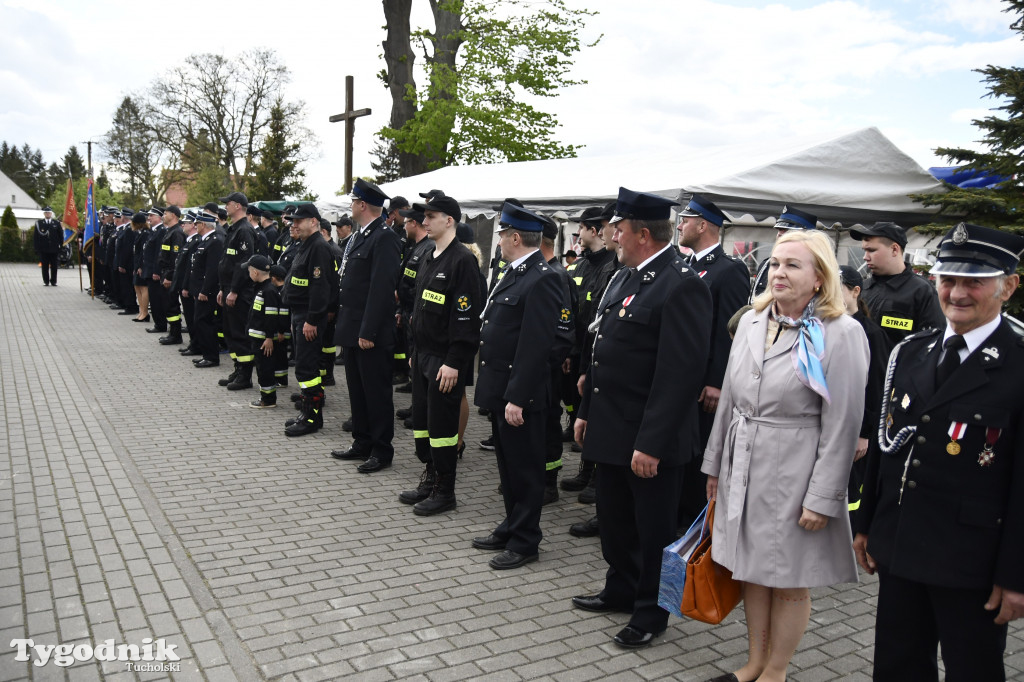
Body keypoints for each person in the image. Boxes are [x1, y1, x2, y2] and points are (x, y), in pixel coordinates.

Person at [854, 223, 1024, 682]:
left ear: (1008, 286)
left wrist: (1016, 574)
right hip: (903, 546)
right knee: (897, 665)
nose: (957, 293)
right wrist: (867, 524)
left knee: (973, 670)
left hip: (974, 562)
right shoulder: (912, 352)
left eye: (975, 282)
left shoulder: (1019, 363)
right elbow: (888, 447)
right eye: (949, 279)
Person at [701, 229, 868, 682]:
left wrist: (823, 496)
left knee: (789, 577)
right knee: (751, 568)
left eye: (793, 265)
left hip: (796, 467)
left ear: (819, 278)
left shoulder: (841, 332)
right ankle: (754, 663)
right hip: (745, 462)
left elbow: (844, 422)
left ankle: (776, 670)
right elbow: (731, 402)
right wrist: (714, 466)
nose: (779, 272)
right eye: (775, 263)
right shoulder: (752, 321)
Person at [571, 187, 712, 650]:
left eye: (620, 228)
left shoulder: (681, 283)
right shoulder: (628, 277)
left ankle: (652, 612)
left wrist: (651, 443)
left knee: (654, 532)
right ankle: (621, 589)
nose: (613, 234)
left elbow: (679, 376)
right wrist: (587, 413)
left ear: (644, 235)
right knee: (614, 522)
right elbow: (603, 351)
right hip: (612, 427)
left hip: (651, 438)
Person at [471, 203, 570, 570]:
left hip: (520, 393)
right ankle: (512, 524)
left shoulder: (541, 277)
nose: (498, 239)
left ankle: (526, 540)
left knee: (526, 470)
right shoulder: (515, 273)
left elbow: (536, 344)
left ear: (515, 237)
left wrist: (518, 397)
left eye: (501, 233)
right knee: (508, 467)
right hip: (502, 387)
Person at [399, 193, 481, 515]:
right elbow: (421, 309)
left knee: (444, 428)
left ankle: (445, 490)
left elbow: (465, 320)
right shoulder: (430, 256)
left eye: (431, 216)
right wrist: (413, 351)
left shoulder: (462, 261)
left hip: (444, 360)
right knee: (423, 423)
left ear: (449, 221)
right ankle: (430, 476)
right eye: (424, 216)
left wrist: (454, 362)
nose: (424, 221)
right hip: (423, 356)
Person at [675, 194, 751, 526]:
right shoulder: (687, 265)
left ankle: (692, 522)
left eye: (686, 220)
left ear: (703, 225)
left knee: (698, 454)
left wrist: (717, 380)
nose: (680, 225)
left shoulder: (728, 270)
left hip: (706, 384)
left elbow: (729, 331)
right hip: (684, 379)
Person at [329, 179, 402, 472]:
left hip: (369, 332)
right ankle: (362, 442)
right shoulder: (360, 236)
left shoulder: (384, 238)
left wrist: (368, 331)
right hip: (352, 328)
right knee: (357, 391)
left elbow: (381, 289)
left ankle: (381, 451)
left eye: (353, 201)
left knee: (376, 393)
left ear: (362, 205)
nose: (350, 206)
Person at [280, 204, 337, 437]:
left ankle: (312, 418)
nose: (294, 225)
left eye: (298, 221)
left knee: (307, 368)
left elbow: (320, 288)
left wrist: (312, 319)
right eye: (292, 221)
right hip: (300, 314)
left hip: (308, 316)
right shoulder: (306, 245)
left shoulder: (318, 247)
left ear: (313, 221)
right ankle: (307, 412)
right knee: (305, 366)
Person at [838, 265, 888, 524]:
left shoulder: (870, 333)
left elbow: (876, 387)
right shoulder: (824, 326)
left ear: (855, 291)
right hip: (829, 426)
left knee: (850, 492)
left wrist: (864, 434)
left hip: (854, 429)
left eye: (838, 288)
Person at [850, 221, 945, 348]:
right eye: (864, 251)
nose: (865, 257)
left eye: (871, 250)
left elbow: (934, 342)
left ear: (894, 249)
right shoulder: (862, 288)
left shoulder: (921, 291)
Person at [217, 192, 258, 390]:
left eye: (229, 204)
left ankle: (245, 375)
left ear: (239, 206)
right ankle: (238, 368)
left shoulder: (245, 230)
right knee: (230, 332)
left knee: (240, 333)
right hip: (227, 289)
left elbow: (243, 264)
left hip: (240, 292)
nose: (226, 207)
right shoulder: (233, 229)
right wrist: (222, 289)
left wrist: (233, 290)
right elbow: (227, 262)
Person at [748, 205, 818, 303]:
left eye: (787, 231)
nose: (780, 234)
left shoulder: (815, 267)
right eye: (779, 230)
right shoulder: (766, 264)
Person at [243, 254, 285, 409]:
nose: (248, 274)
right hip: (258, 337)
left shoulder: (268, 291)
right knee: (261, 368)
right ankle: (265, 397)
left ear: (255, 273)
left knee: (265, 369)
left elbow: (271, 316)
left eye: (249, 271)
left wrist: (269, 338)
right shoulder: (261, 289)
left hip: (263, 339)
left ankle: (268, 399)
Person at [188, 212, 224, 368]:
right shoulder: (206, 241)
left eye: (197, 224)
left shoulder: (215, 241)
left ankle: (211, 356)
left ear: (203, 224)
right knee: (200, 321)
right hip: (200, 290)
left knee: (204, 322)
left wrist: (205, 290)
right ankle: (206, 354)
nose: (195, 226)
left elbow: (212, 270)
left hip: (207, 292)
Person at [157, 206, 186, 345]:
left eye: (165, 213)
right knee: (167, 304)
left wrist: (169, 276)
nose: (163, 215)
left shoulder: (177, 233)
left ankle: (176, 334)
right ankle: (172, 332)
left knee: (172, 304)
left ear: (173, 215)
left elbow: (176, 257)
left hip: (171, 275)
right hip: (165, 273)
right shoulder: (169, 231)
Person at [34, 206, 62, 286]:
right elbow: (36, 237)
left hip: (54, 249)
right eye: (46, 212)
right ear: (44, 214)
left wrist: (61, 246)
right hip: (44, 249)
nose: (47, 214)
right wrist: (36, 248)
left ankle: (53, 281)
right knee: (45, 266)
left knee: (54, 266)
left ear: (51, 213)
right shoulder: (39, 223)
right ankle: (46, 281)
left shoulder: (56, 223)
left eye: (49, 212)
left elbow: (60, 236)